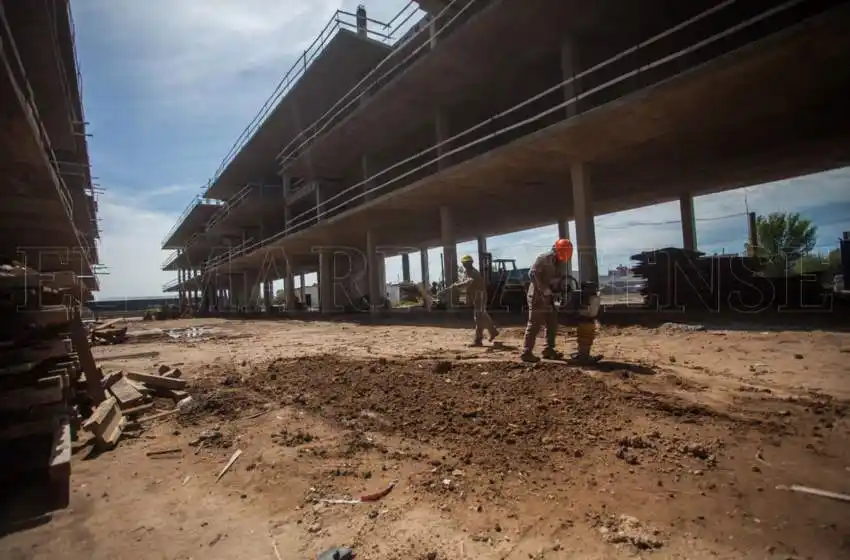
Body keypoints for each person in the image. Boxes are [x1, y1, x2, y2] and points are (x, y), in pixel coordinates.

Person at [521, 238, 574, 362]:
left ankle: (548, 350)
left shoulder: (561, 262)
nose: (563, 257)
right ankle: (526, 352)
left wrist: (561, 289)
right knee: (534, 323)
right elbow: (532, 274)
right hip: (537, 296)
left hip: (550, 297)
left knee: (552, 322)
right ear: (556, 249)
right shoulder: (544, 258)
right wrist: (543, 288)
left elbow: (558, 278)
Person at [449, 255, 499, 346]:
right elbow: (464, 282)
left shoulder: (473, 272)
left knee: (478, 317)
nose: (466, 265)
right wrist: (457, 284)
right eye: (465, 263)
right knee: (482, 315)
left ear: (470, 263)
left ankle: (478, 340)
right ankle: (493, 331)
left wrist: (458, 285)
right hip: (477, 296)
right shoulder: (467, 272)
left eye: (467, 263)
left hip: (479, 295)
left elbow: (468, 282)